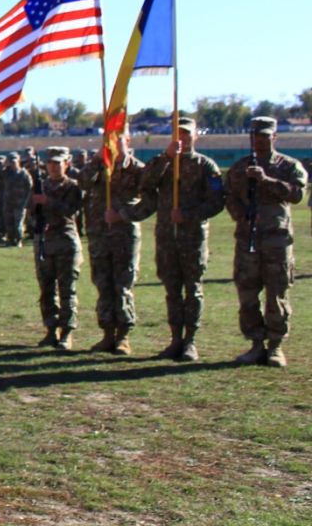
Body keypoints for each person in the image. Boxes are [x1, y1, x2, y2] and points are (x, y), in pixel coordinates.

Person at [131, 116, 225, 362]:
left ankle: (190, 341)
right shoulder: (162, 163)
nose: (182, 137)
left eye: (186, 133)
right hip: (166, 237)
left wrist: (188, 215)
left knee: (192, 289)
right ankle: (175, 339)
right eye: (177, 133)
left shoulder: (206, 166)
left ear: (196, 136)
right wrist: (166, 157)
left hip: (192, 238)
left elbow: (217, 202)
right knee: (172, 290)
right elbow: (145, 183)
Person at [223, 117, 307, 366]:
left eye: (265, 136)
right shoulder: (240, 168)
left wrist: (266, 180)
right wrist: (240, 214)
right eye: (256, 136)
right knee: (247, 294)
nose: (259, 141)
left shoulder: (288, 166)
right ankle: (256, 344)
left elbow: (298, 194)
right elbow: (228, 196)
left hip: (276, 240)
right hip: (247, 239)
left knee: (276, 293)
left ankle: (275, 346)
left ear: (274, 137)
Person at [78, 129, 145, 354]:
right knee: (103, 284)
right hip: (99, 234)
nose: (113, 143)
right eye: (108, 140)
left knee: (123, 285)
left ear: (128, 141)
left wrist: (122, 215)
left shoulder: (137, 169)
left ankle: (123, 337)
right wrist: (97, 159)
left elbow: (149, 203)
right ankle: (107, 334)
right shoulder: (99, 165)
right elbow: (83, 183)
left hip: (124, 235)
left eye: (118, 139)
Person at [29, 146, 84, 349]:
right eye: (50, 163)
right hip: (44, 243)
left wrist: (47, 201)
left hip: (65, 243)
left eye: (58, 163)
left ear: (67, 164)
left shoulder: (73, 186)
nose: (53, 167)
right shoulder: (40, 185)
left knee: (67, 290)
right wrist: (35, 205)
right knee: (46, 290)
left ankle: (67, 332)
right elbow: (30, 212)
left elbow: (71, 210)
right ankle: (51, 330)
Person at [1, 151, 31, 246]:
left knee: (18, 224)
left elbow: (30, 188)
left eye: (15, 161)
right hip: (8, 202)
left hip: (20, 203)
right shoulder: (6, 173)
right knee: (9, 222)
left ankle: (18, 240)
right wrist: (5, 163)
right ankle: (10, 240)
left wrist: (26, 202)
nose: (13, 163)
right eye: (11, 161)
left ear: (18, 161)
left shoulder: (24, 174)